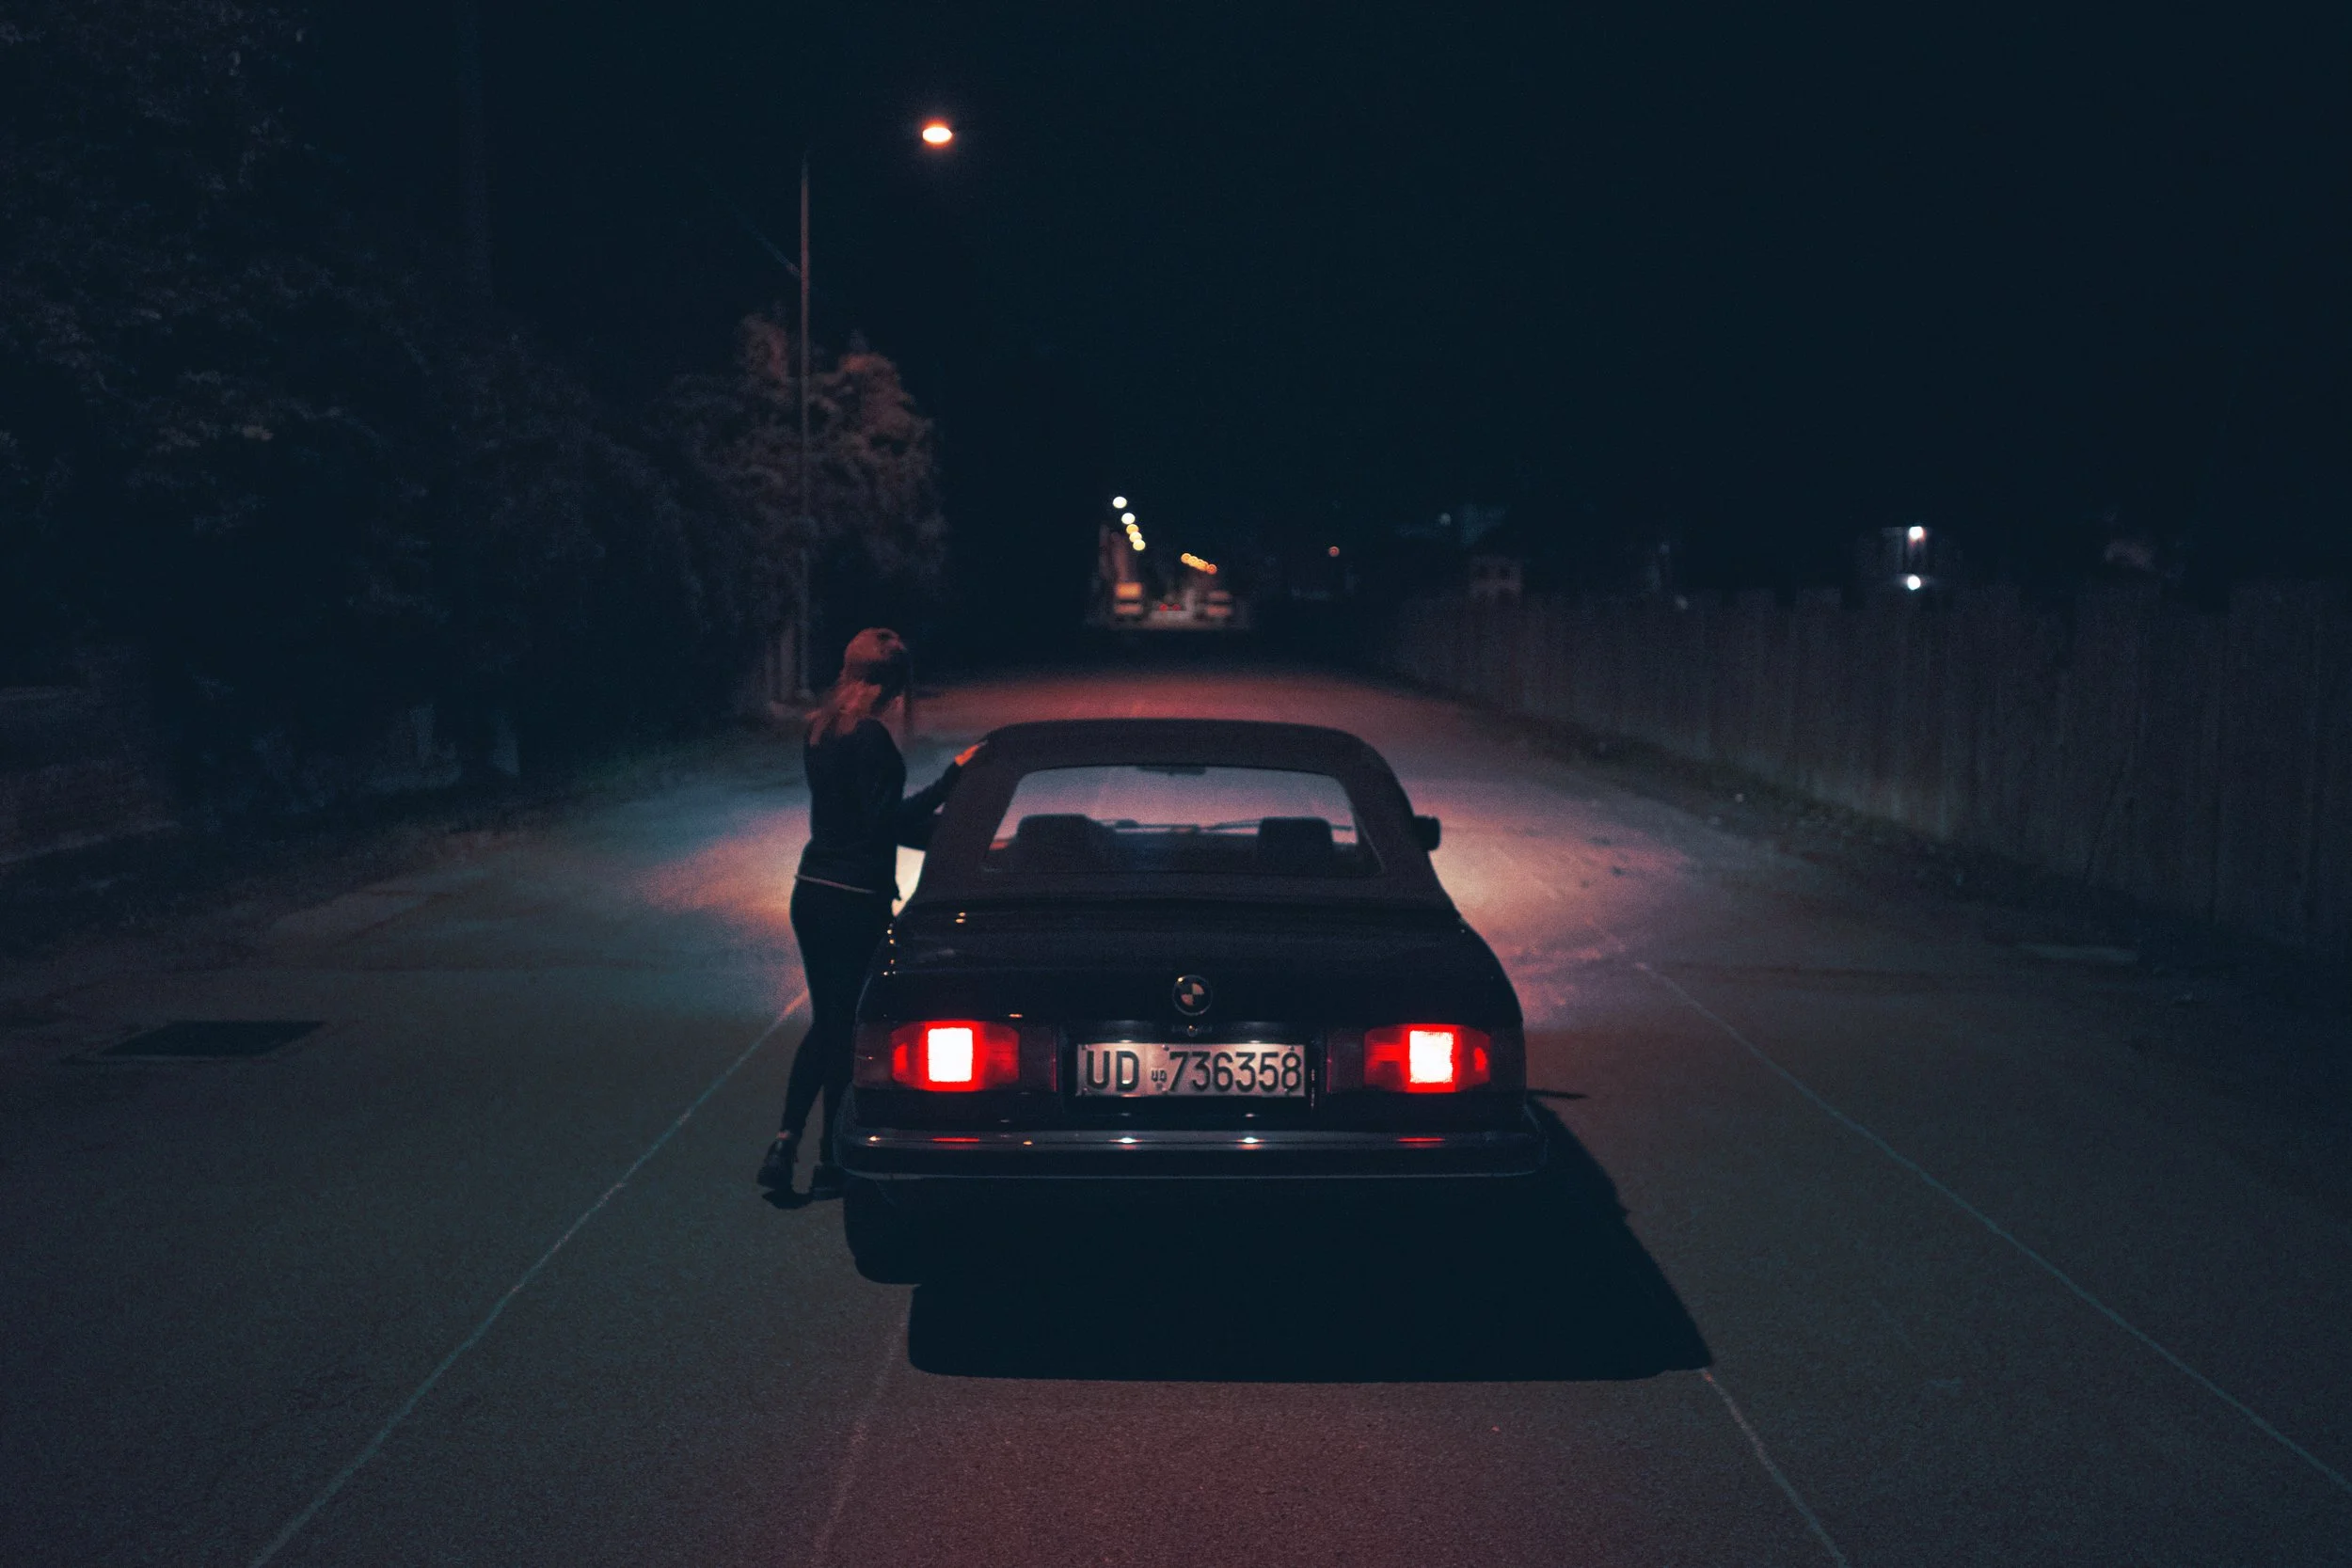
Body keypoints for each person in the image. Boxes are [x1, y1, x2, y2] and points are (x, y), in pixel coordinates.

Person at [759, 628, 978, 1196]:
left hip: (811, 890)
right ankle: (831, 1162)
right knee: (847, 1028)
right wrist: (955, 779)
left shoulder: (819, 731)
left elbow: (853, 821)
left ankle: (786, 1142)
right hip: (856, 899)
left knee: (828, 1022)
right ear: (894, 685)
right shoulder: (873, 740)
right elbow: (887, 825)